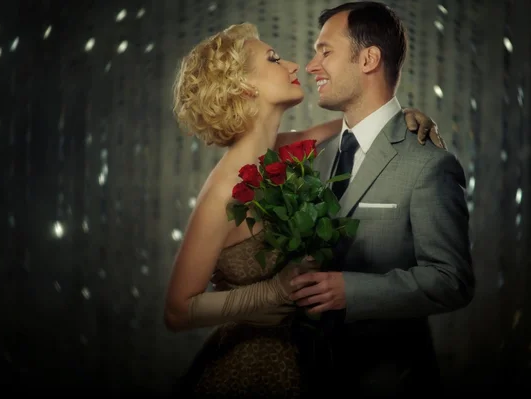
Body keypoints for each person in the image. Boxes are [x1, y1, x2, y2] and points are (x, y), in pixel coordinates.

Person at [163, 21, 442, 398]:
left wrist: (407, 117)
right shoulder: (223, 191)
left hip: (310, 363)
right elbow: (178, 311)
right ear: (244, 86)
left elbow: (367, 128)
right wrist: (271, 294)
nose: (295, 65)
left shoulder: (289, 150)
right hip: (251, 369)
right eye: (274, 59)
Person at [287, 2, 475, 397]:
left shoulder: (427, 163)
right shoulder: (314, 157)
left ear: (369, 58)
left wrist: (351, 291)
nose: (310, 66)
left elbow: (451, 280)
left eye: (325, 51)